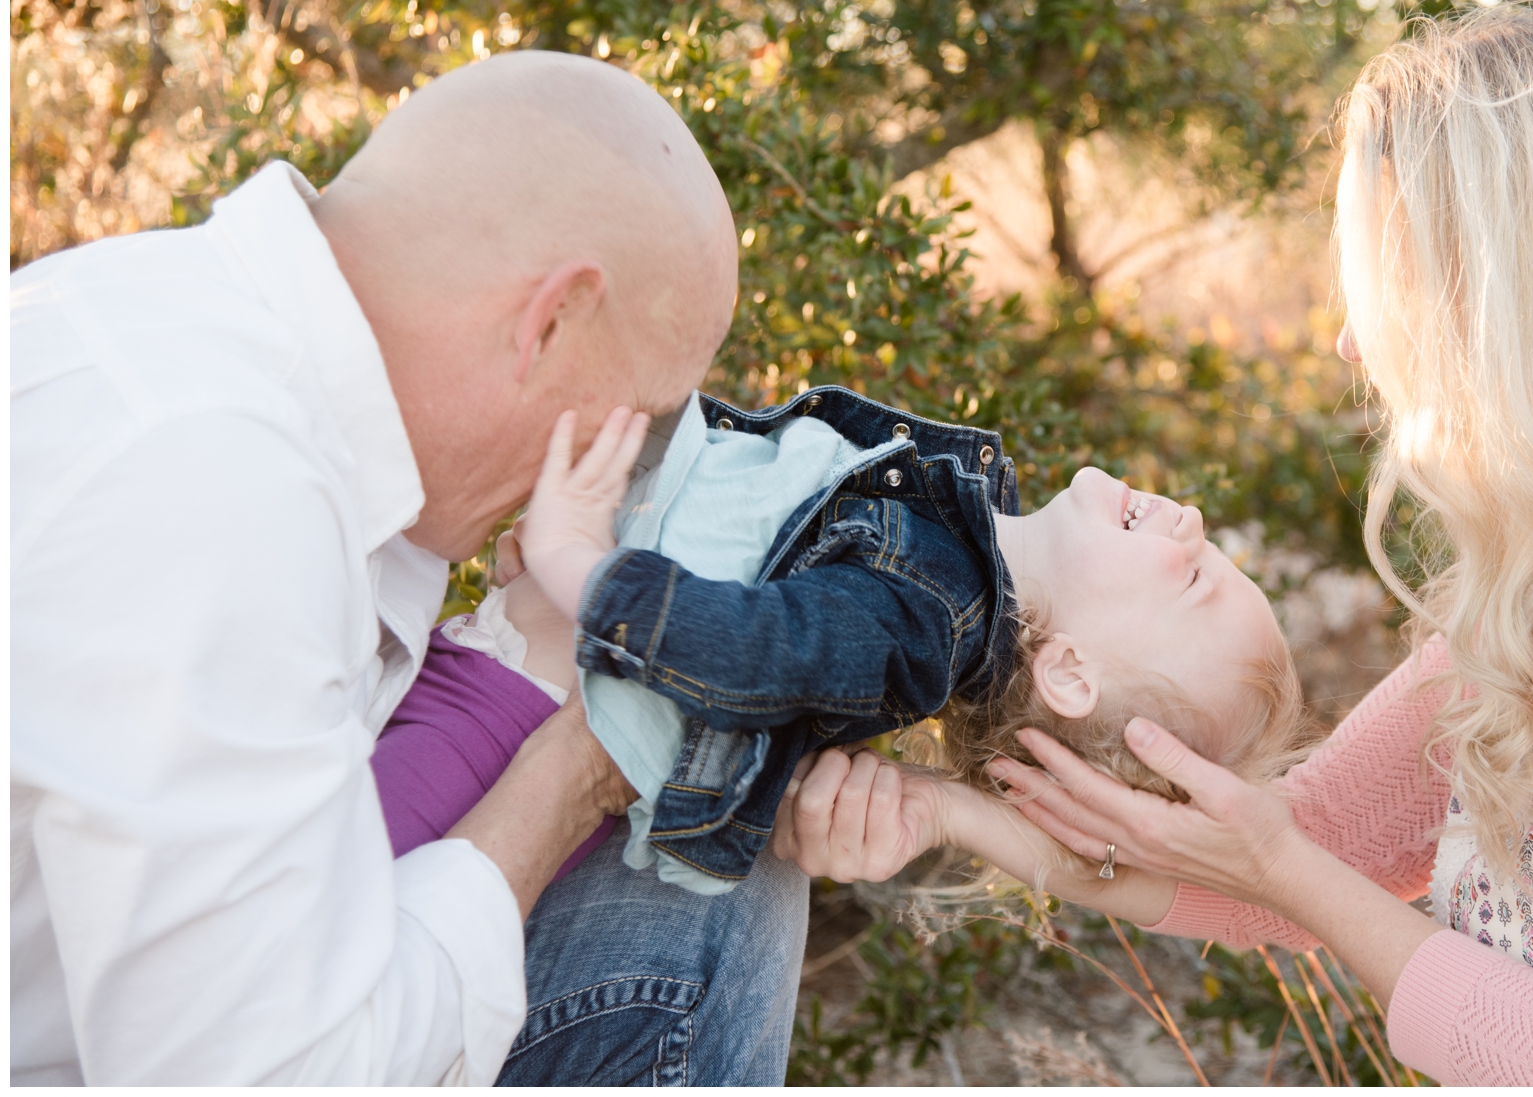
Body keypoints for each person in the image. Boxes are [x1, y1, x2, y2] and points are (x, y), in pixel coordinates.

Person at [772, 8, 1533, 1085]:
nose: (1348, 347)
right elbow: (1291, 841)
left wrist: (1281, 867)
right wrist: (944, 811)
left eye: (1372, 291)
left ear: (1502, 298)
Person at [11, 52, 804, 1085]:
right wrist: (563, 781)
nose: (618, 480)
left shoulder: (165, 320)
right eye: (634, 425)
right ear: (548, 322)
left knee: (724, 885)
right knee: (704, 911)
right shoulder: (215, 489)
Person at [381, 370, 1312, 896]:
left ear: (1069, 674)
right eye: (1213, 546)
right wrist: (625, 507)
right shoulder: (954, 517)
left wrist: (583, 564)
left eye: (1193, 578)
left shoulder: (920, 623)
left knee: (313, 918)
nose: (1190, 517)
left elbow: (752, 653)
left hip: (510, 724)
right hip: (490, 659)